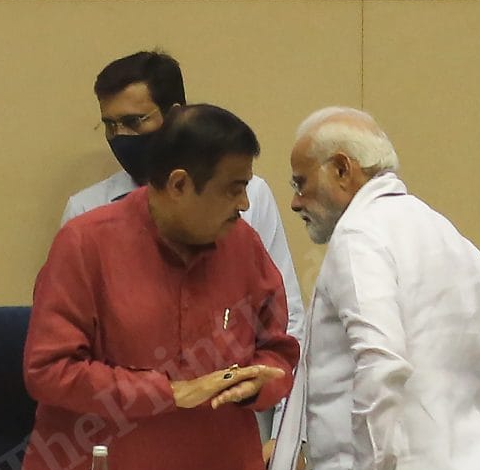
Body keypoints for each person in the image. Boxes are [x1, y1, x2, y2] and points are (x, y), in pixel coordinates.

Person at [22, 104, 298, 470]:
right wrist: (169, 393)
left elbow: (280, 351)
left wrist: (257, 385)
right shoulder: (85, 244)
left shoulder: (244, 246)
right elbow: (49, 370)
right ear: (180, 184)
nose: (244, 203)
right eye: (233, 188)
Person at [271, 108, 480, 470]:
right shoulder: (450, 236)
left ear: (343, 170)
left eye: (301, 182)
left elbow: (381, 361)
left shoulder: (358, 237)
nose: (295, 202)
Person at [64, 50, 303, 348]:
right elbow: (68, 345)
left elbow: (286, 314)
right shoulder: (86, 213)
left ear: (174, 115)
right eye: (111, 125)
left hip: (234, 380)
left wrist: (267, 391)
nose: (121, 136)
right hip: (132, 383)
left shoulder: (248, 194)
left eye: (134, 121)